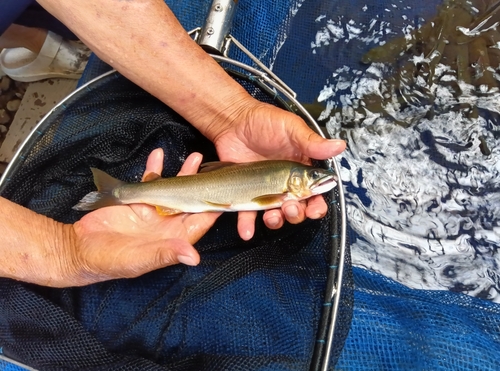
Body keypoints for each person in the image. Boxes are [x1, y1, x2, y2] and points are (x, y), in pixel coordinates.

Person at [0, 0, 346, 288]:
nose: (318, 181)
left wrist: (231, 115)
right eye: (313, 180)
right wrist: (64, 252)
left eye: (313, 179)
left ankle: (37, 46)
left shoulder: (283, 180)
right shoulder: (281, 189)